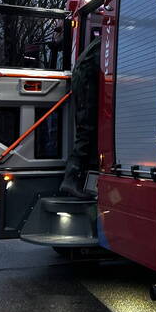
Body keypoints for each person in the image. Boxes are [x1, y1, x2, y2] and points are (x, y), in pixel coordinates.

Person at [59, 35, 101, 198]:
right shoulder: (108, 44)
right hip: (85, 80)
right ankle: (70, 180)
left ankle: (75, 178)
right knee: (87, 129)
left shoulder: (99, 44)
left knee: (86, 129)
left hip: (84, 78)